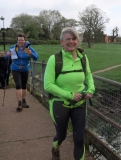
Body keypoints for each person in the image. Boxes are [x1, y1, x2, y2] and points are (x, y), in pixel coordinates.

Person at [44, 27, 95, 160]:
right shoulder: (54, 59)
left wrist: (90, 90)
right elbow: (48, 85)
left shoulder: (83, 58)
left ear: (78, 41)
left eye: (74, 39)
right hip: (59, 104)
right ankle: (55, 148)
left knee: (79, 139)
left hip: (80, 103)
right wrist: (70, 95)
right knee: (61, 135)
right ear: (61, 42)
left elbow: (89, 76)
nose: (71, 42)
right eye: (68, 39)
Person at [6, 33, 38, 112]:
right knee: (18, 85)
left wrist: (31, 53)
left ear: (25, 40)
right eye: (19, 40)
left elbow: (36, 58)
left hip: (25, 68)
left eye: (22, 40)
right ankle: (19, 103)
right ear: (17, 40)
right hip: (15, 68)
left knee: (24, 86)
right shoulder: (13, 48)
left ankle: (24, 101)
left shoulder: (28, 48)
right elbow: (5, 57)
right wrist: (7, 55)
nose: (21, 41)